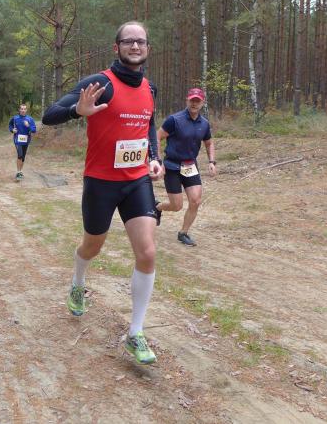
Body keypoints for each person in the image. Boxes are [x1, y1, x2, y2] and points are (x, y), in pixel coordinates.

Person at [42, 21, 164, 365]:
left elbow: (148, 125)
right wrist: (76, 111)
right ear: (117, 47)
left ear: (147, 48)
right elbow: (49, 115)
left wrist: (154, 158)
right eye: (129, 41)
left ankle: (135, 332)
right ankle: (78, 281)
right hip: (101, 182)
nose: (135, 46)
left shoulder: (150, 88)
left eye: (141, 41)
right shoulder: (100, 84)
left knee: (147, 252)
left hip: (137, 180)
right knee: (92, 246)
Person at [155, 88, 216, 247]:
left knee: (195, 201)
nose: (194, 103)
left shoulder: (204, 124)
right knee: (176, 206)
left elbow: (209, 143)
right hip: (172, 166)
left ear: (202, 103)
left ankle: (183, 233)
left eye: (198, 101)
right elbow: (157, 137)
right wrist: (158, 161)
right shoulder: (174, 120)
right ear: (187, 100)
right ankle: (157, 207)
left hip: (190, 165)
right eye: (192, 100)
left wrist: (212, 161)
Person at [9, 104, 37, 180]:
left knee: (23, 157)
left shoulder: (30, 119)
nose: (23, 110)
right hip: (17, 140)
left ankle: (21, 171)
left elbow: (34, 130)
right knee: (20, 155)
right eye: (21, 109)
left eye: (24, 109)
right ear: (19, 110)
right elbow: (10, 125)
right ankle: (18, 173)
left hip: (26, 140)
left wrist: (28, 126)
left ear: (26, 110)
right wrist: (12, 130)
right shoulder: (15, 118)